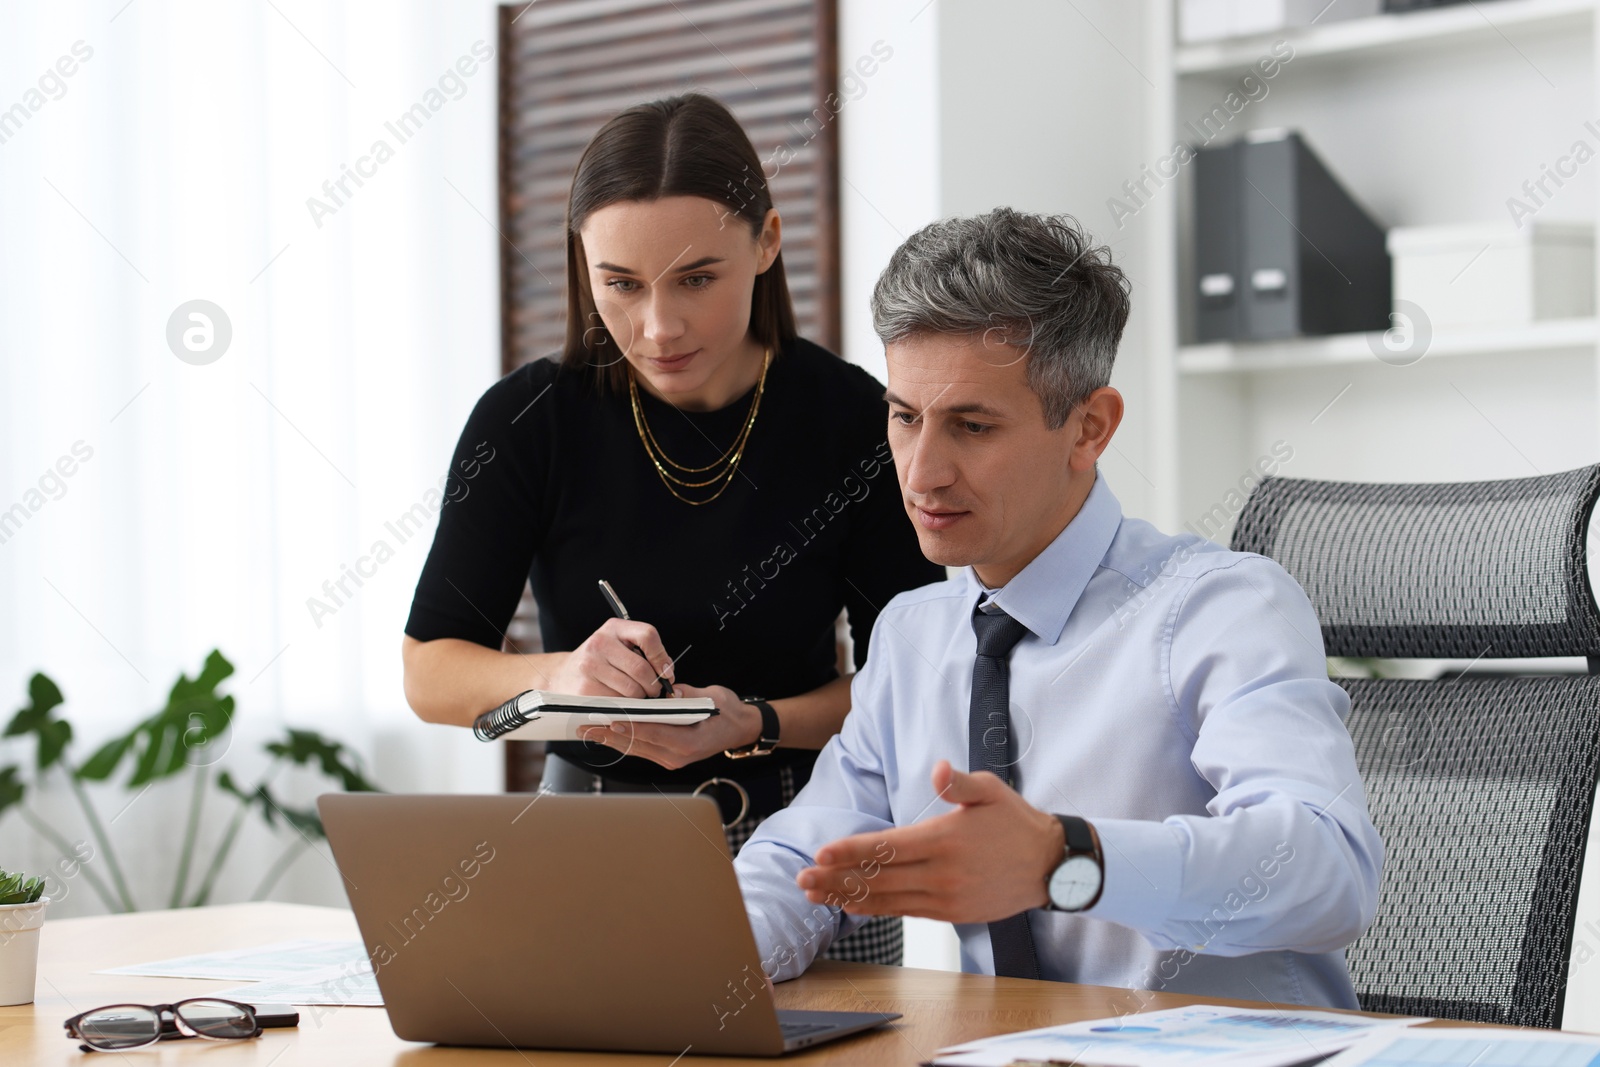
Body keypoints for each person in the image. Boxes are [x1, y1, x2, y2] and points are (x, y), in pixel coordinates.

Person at [733, 208, 1384, 1006]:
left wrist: (1065, 858)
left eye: (972, 425)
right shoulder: (914, 634)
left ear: (1090, 428)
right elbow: (808, 853)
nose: (922, 472)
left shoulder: (1220, 608)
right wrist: (705, 955)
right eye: (905, 417)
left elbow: (1329, 866)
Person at [400, 94, 943, 965]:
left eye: (696, 278)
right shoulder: (527, 420)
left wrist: (751, 722)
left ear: (767, 242)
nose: (659, 326)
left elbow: (912, 692)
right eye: (620, 284)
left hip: (816, 848)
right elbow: (430, 674)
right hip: (591, 849)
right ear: (584, 267)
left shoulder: (856, 422)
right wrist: (560, 677)